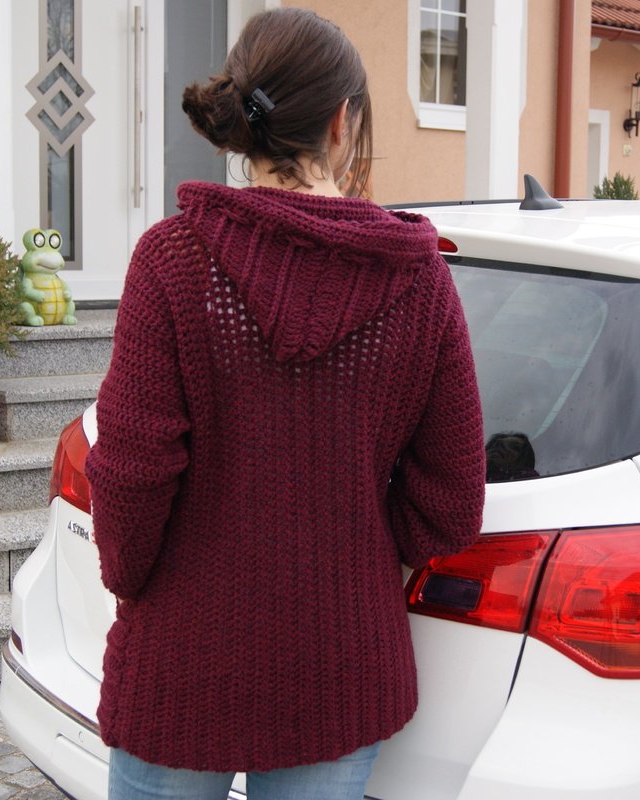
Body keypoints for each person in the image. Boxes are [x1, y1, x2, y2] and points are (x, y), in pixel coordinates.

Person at [85, 8, 487, 800]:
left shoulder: (171, 261)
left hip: (182, 660)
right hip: (342, 666)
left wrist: (135, 587)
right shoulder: (419, 281)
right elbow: (450, 500)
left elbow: (132, 472)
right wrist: (358, 552)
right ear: (342, 121)